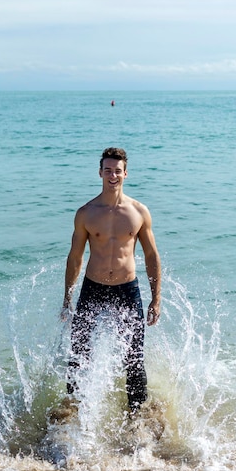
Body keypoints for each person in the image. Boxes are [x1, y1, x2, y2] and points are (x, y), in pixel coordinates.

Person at [61, 147, 161, 412]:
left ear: (125, 173)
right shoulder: (86, 213)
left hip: (127, 290)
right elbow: (75, 258)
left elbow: (151, 256)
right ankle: (72, 410)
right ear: (100, 173)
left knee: (134, 358)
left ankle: (137, 417)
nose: (113, 175)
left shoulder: (139, 212)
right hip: (92, 288)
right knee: (78, 354)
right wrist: (67, 298)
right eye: (108, 170)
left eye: (117, 171)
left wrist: (156, 299)